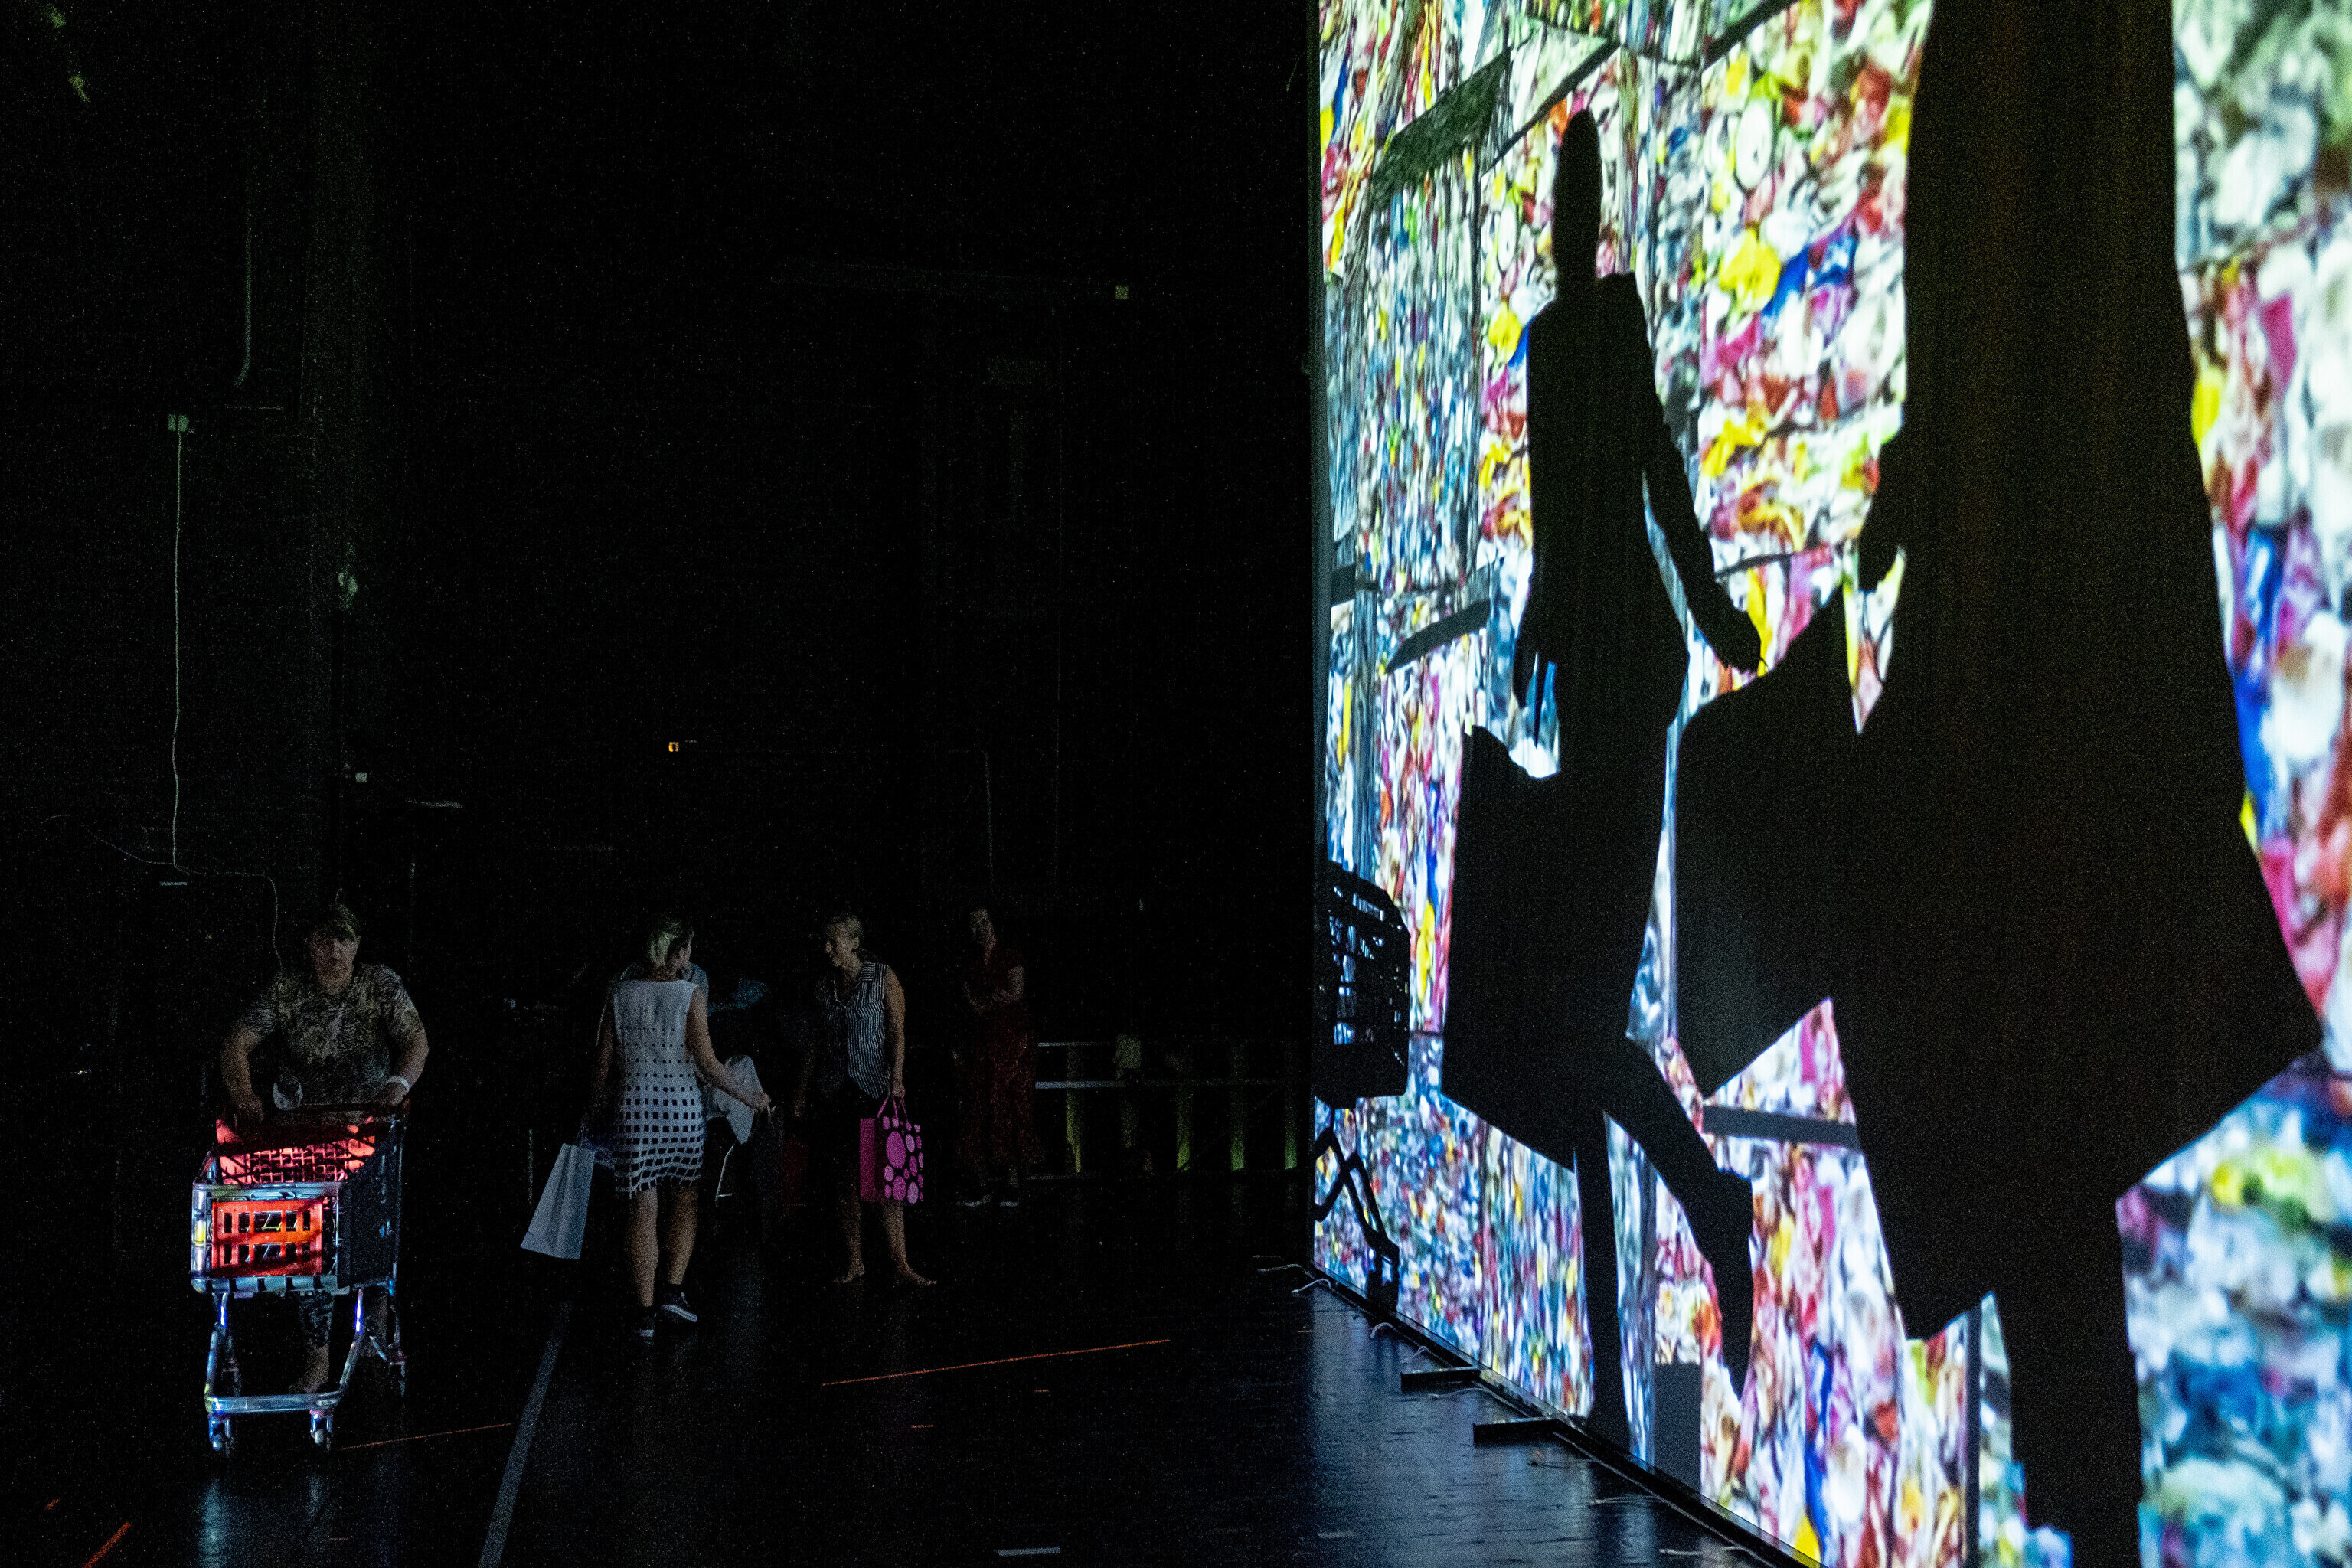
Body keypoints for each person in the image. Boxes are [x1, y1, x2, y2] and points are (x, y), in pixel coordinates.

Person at [1440, 110, 1762, 1443]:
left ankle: (1680, 1263)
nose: (1572, 218)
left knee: (1573, 1031)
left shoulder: (1608, 324)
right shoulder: (1550, 340)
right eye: (1563, 196)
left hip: (1627, 679)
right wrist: (1533, 628)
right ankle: (1619, 1377)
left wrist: (1710, 604)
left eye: (1582, 192)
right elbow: (1561, 518)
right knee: (1566, 1039)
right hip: (1589, 683)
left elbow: (1654, 479)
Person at [218, 900, 426, 1393]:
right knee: (313, 1240)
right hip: (309, 1135)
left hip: (369, 1129)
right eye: (323, 939)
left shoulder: (379, 984)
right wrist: (245, 1097)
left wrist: (395, 1088)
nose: (334, 950)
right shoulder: (288, 988)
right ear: (309, 945)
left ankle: (375, 1326)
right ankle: (317, 1358)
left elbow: (416, 1041)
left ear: (357, 945)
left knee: (374, 1228)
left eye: (343, 939)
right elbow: (236, 1043)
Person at [588, 914, 771, 1339]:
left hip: (634, 1113)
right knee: (684, 1202)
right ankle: (673, 1292)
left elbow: (602, 1067)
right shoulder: (690, 995)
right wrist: (751, 1097)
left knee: (642, 1209)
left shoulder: (619, 993)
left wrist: (591, 1111)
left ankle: (644, 1314)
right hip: (681, 1113)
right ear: (681, 951)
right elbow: (708, 1065)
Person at [793, 913, 932, 1285]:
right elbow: (814, 1041)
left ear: (854, 942)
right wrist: (802, 1091)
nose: (827, 949)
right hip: (836, 1091)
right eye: (825, 941)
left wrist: (897, 1077)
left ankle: (901, 1265)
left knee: (886, 1177)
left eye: (834, 941)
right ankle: (855, 1261)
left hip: (873, 1090)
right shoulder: (824, 986)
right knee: (845, 1179)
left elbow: (897, 1031)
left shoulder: (882, 977)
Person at [955, 906, 1040, 1206]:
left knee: (1010, 1106)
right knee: (977, 1109)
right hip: (980, 1045)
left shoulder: (1009, 954)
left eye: (984, 921)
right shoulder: (968, 962)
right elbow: (971, 1002)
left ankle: (1012, 1182)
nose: (980, 927)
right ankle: (980, 1184)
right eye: (974, 923)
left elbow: (1015, 992)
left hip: (1011, 1044)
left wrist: (990, 1000)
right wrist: (993, 999)